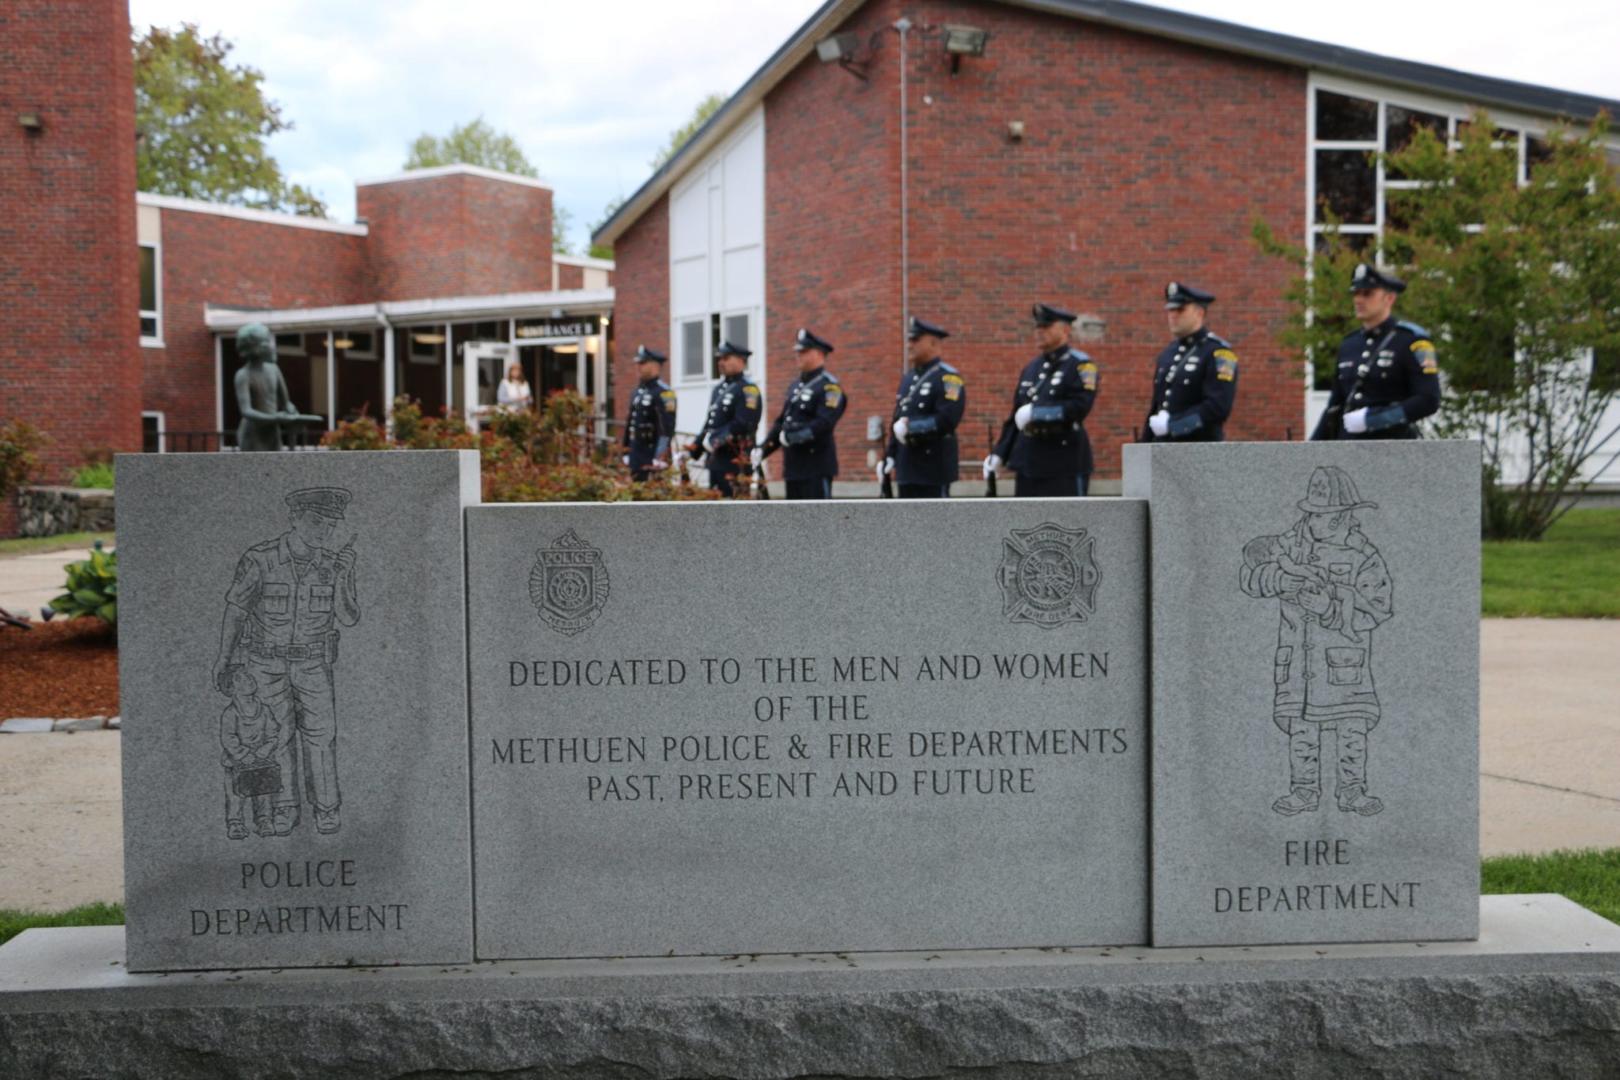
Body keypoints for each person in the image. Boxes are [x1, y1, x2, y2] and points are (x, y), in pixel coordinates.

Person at [1239, 466, 1392, 817]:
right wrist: (1279, 580)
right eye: (1312, 513)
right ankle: (1304, 791)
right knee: (1303, 733)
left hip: (1344, 668)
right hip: (1298, 667)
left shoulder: (1363, 556)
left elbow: (1378, 610)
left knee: (1351, 732)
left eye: (1323, 515)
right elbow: (1249, 574)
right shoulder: (1288, 546)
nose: (1314, 521)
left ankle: (1352, 791)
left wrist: (1330, 609)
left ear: (1342, 517)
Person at [212, 487, 361, 837]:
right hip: (265, 663)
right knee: (276, 735)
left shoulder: (333, 564)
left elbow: (349, 616)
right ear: (295, 519)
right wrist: (224, 658)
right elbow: (236, 610)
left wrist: (344, 577)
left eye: (330, 525)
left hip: (313, 664)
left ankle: (327, 808)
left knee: (321, 736)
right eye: (316, 521)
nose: (324, 531)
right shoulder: (260, 559)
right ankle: (284, 808)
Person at [1311, 262, 1439, 440]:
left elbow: (1428, 399)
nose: (1358, 300)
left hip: (1391, 445)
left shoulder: (1411, 341)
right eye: (1356, 293)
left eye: (1367, 293)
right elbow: (1335, 405)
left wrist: (1373, 420)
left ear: (1389, 298)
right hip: (1347, 447)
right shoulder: (1349, 344)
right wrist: (1310, 449)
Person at [986, 303, 1099, 496]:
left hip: (1064, 460)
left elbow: (1079, 406)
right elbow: (1015, 417)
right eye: (1038, 327)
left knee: (1066, 516)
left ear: (1065, 329)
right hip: (1029, 460)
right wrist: (999, 453)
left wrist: (1036, 413)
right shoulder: (1032, 368)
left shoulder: (1079, 365)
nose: (1039, 331)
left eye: (1046, 327)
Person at [755, 328, 847, 500]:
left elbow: (824, 423)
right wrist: (763, 449)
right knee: (793, 516)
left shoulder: (829, 387)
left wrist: (793, 437)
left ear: (819, 354)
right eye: (797, 352)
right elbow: (782, 422)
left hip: (816, 466)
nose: (798, 356)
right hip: (793, 467)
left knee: (817, 516)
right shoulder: (795, 386)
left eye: (804, 352)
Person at [1143, 282, 1239, 443]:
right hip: (1164, 447)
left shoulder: (1217, 353)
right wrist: (1143, 445)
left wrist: (1174, 426)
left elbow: (1217, 407)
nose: (1173, 315)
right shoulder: (1168, 353)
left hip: (1199, 446)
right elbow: (1157, 406)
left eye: (1180, 310)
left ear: (1199, 313)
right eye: (1170, 310)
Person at [882, 318, 966, 499]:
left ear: (933, 343)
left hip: (933, 468)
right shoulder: (909, 378)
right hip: (906, 467)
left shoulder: (947, 377)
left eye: (915, 340)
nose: (909, 345)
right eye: (909, 340)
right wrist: (890, 455)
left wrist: (911, 428)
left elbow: (947, 420)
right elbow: (898, 417)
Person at [688, 341, 761, 497]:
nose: (721, 362)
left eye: (726, 358)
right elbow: (710, 423)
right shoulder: (718, 389)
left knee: (734, 506)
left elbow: (743, 424)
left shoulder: (748, 389)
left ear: (741, 360)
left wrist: (715, 440)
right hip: (715, 460)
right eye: (720, 358)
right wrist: (693, 449)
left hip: (735, 461)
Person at [219, 668, 281, 840]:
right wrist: (242, 754)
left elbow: (273, 732)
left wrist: (266, 748)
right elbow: (228, 738)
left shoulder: (265, 709)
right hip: (236, 762)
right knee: (236, 794)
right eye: (241, 679)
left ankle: (264, 820)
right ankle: (235, 823)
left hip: (262, 761)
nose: (249, 680)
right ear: (231, 688)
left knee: (264, 793)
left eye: (249, 676)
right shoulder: (230, 713)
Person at [233, 322, 305, 452]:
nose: (272, 347)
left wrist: (292, 412)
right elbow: (246, 411)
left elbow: (285, 403)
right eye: (266, 342)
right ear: (254, 348)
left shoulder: (274, 369)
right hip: (252, 435)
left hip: (272, 433)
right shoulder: (243, 375)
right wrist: (275, 418)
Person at [621, 346, 677, 482]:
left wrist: (659, 456)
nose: (638, 367)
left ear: (655, 365)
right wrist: (626, 450)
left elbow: (667, 428)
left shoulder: (665, 392)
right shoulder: (637, 392)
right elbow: (630, 424)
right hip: (636, 452)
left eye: (643, 363)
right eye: (638, 363)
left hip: (652, 453)